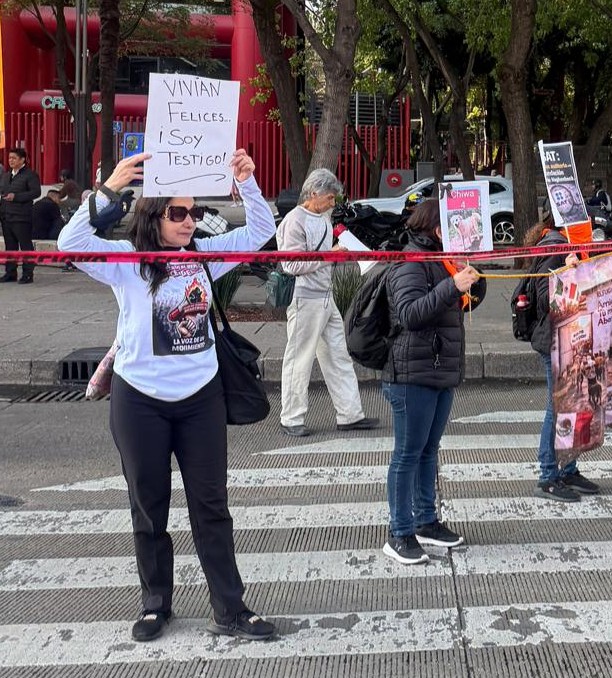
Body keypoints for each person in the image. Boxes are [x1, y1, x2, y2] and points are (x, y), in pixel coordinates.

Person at [55, 150, 277, 642]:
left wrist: (249, 181)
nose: (189, 221)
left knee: (212, 507)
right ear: (154, 216)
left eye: (194, 212)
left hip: (200, 399)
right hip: (140, 402)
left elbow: (260, 230)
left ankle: (230, 607)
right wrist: (108, 190)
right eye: (178, 212)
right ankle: (156, 604)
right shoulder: (126, 263)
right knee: (149, 507)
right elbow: (71, 243)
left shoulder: (203, 258)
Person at [381, 200, 480, 565]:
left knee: (428, 450)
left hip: (438, 370)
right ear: (437, 229)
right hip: (412, 373)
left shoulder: (441, 260)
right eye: (457, 226)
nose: (464, 233)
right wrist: (452, 286)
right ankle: (399, 531)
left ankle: (426, 520)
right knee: (407, 454)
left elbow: (448, 306)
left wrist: (465, 287)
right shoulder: (411, 261)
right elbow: (410, 315)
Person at [276, 169, 379, 437]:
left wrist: (330, 256)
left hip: (323, 296)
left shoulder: (320, 218)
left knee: (338, 355)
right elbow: (290, 264)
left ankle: (350, 413)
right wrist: (329, 255)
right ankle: (291, 417)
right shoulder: (294, 221)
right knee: (300, 359)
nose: (333, 203)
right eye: (330, 198)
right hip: (305, 298)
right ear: (314, 194)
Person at [524, 211, 600, 502]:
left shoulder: (569, 245)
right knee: (557, 408)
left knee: (574, 405)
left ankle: (568, 468)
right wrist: (568, 273)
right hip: (555, 340)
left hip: (573, 337)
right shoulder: (554, 248)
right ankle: (547, 474)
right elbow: (544, 297)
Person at [1, 147, 42, 284]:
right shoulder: (6, 176)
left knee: (25, 246)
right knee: (10, 246)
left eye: (14, 158)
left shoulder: (30, 175)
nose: (11, 160)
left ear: (22, 159)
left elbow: (36, 192)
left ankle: (27, 273)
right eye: (10, 158)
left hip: (22, 216)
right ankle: (10, 272)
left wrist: (17, 196)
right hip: (7, 216)